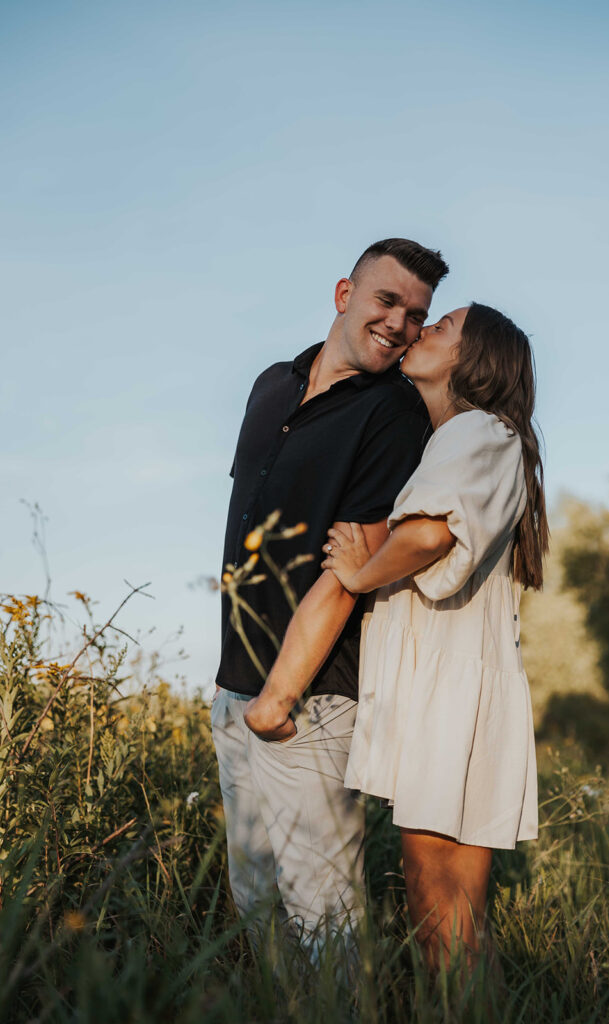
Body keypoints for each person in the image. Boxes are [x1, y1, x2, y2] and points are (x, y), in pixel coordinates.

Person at [211, 238, 449, 952]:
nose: (400, 324)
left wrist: (278, 702)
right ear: (344, 294)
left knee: (324, 915)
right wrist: (238, 690)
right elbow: (247, 516)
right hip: (233, 684)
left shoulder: (393, 413)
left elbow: (355, 564)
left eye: (417, 314)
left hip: (309, 698)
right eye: (387, 301)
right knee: (253, 900)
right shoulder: (270, 386)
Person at [320, 302, 548, 971]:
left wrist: (359, 575)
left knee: (437, 914)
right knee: (458, 919)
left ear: (473, 360)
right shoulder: (486, 438)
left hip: (445, 689)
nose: (420, 331)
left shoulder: (473, 429)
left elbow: (426, 534)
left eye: (441, 327)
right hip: (465, 682)